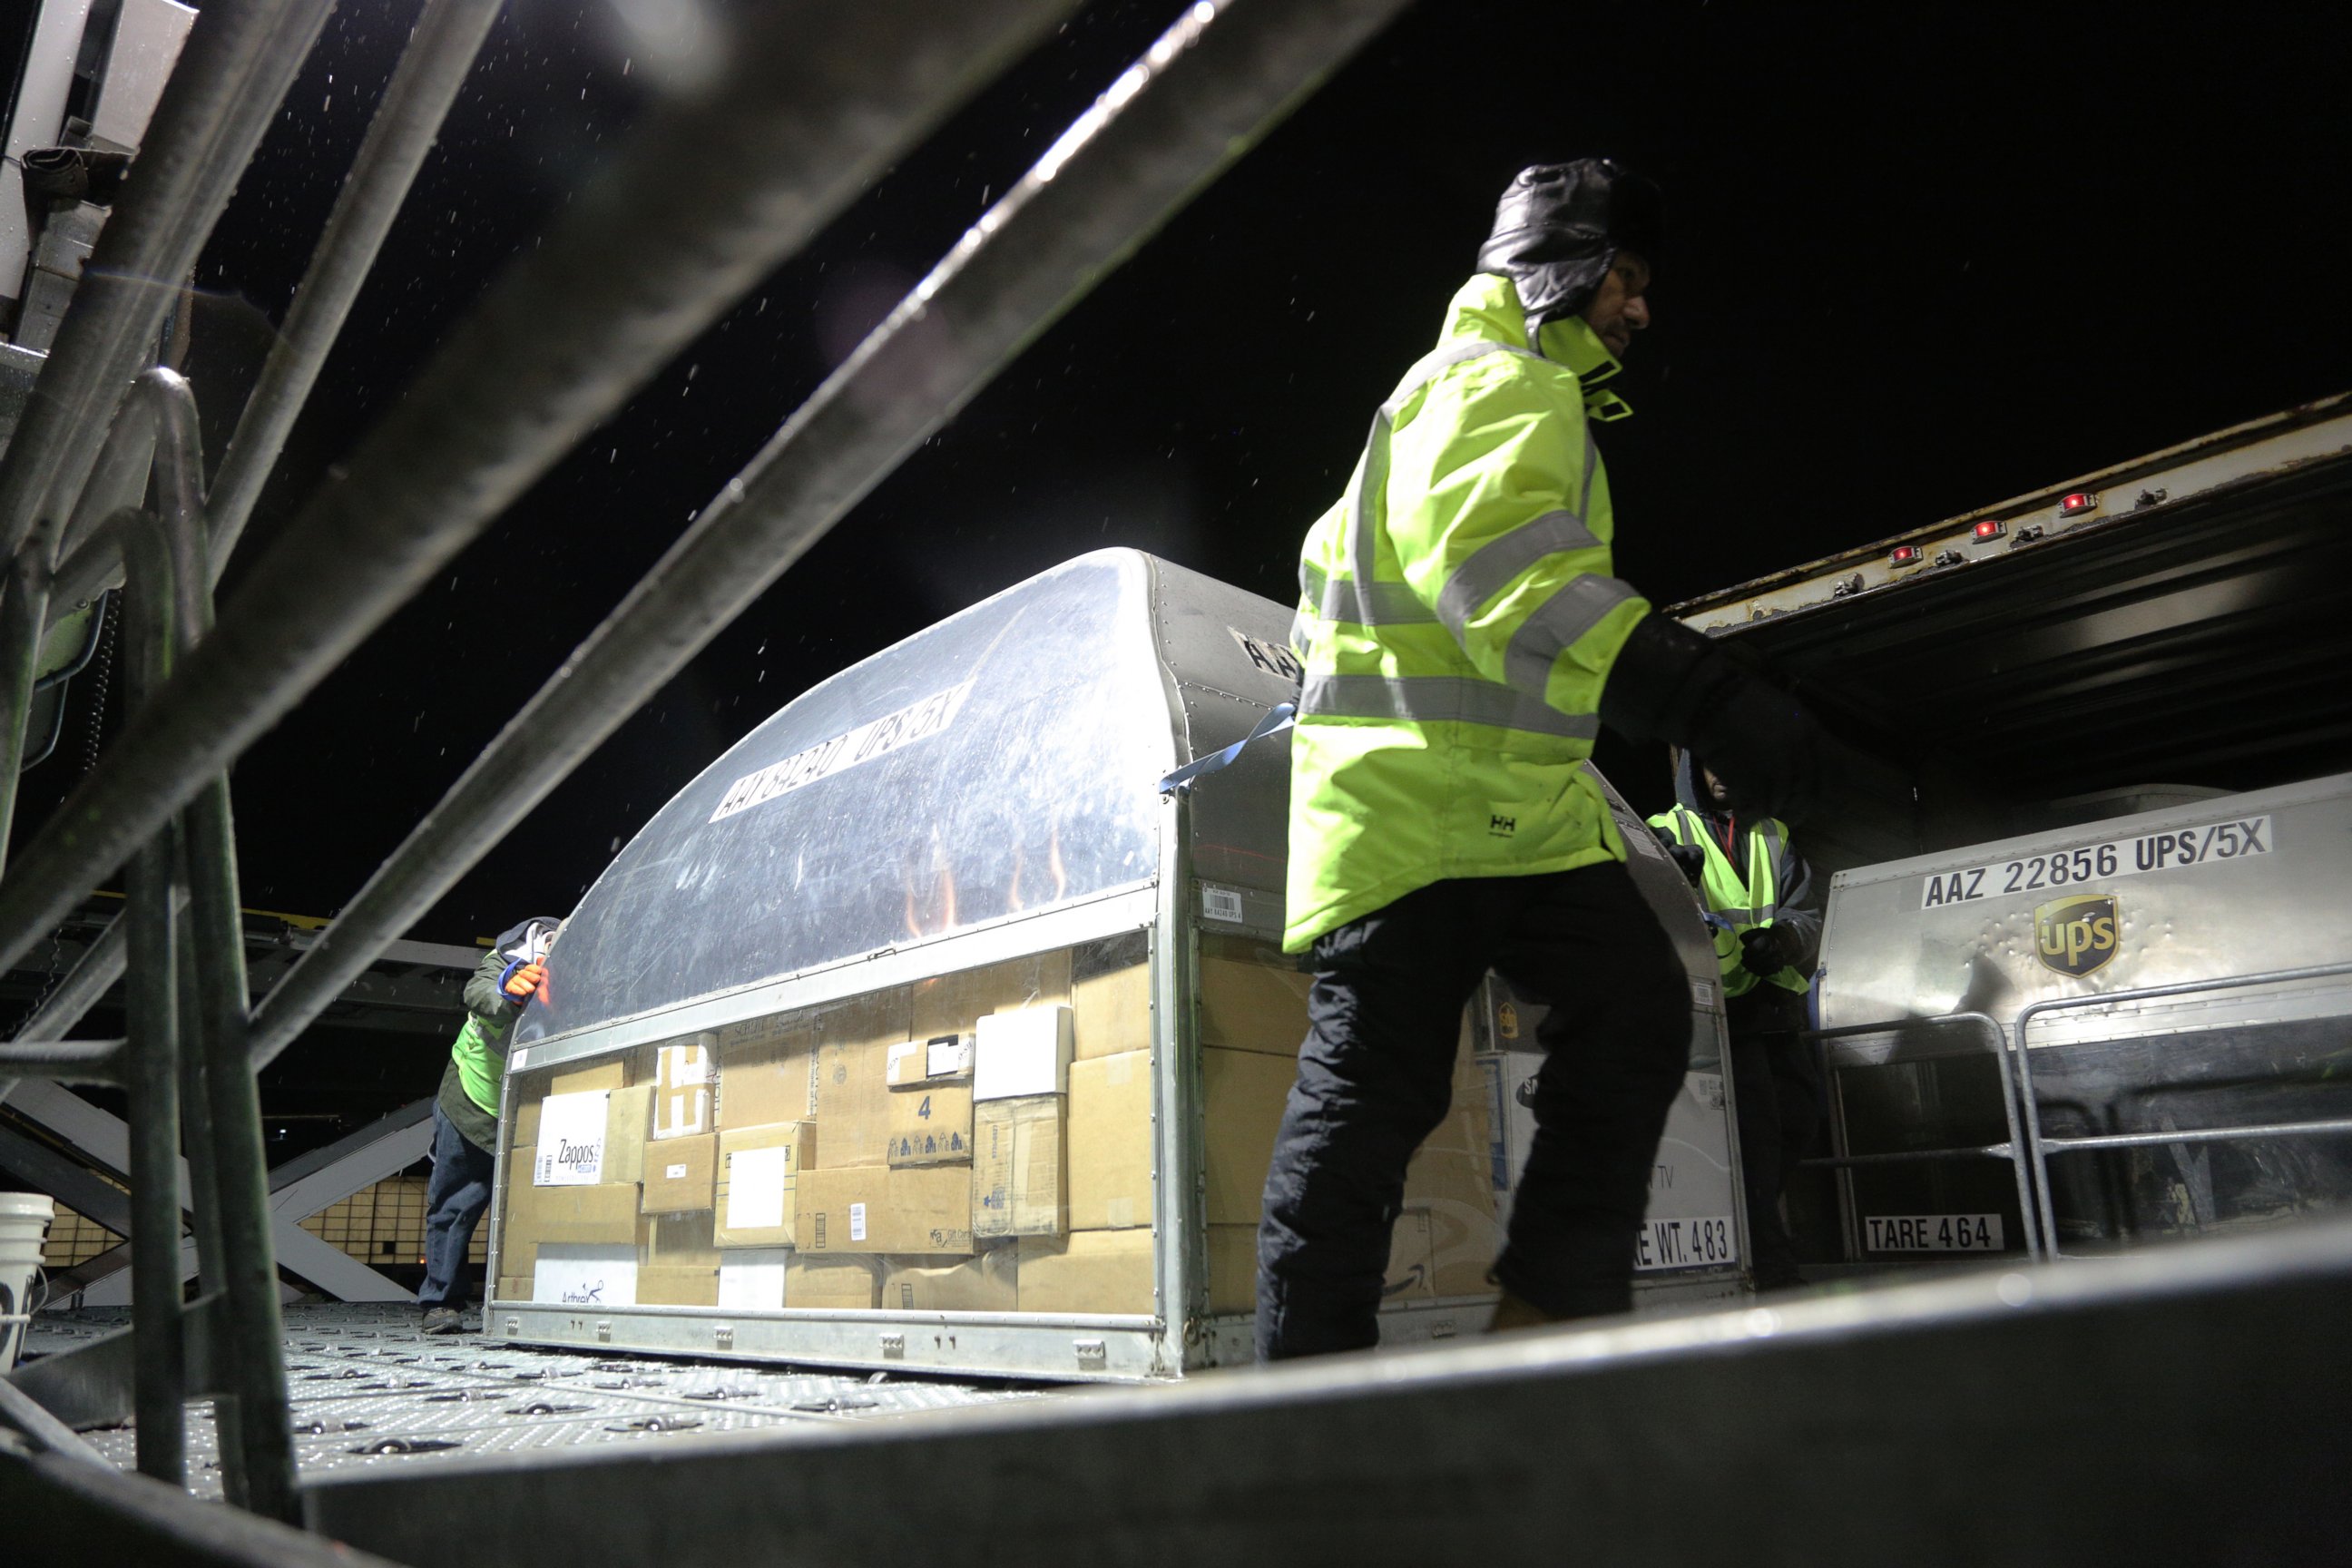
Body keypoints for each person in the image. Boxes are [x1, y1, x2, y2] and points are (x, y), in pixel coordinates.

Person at [1258, 159, 1823, 1360]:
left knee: (1630, 1010)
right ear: (1561, 270)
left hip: (1504, 813)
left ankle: (1547, 1324)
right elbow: (1506, 581)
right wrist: (1703, 696)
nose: (1641, 308)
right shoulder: (1490, 383)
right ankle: (1303, 1399)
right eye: (1628, 277)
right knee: (1369, 1109)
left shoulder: (1489, 396)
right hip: (1420, 815)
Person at [1650, 750, 1822, 1290]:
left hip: (1777, 1007)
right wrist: (1671, 877)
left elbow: (1806, 915)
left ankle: (1755, 1237)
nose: (1722, 772)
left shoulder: (1773, 834)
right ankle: (1769, 1265)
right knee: (1756, 1139)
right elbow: (1643, 912)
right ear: (1693, 770)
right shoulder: (1660, 829)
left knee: (1799, 1124)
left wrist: (1785, 940)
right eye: (1710, 763)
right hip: (1720, 1012)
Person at [419, 916, 558, 1333]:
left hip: (533, 1105)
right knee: (456, 1203)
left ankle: (540, 1297)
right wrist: (507, 988)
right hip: (472, 1097)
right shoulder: (508, 959)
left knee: (537, 1207)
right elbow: (479, 991)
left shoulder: (591, 968)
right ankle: (441, 1302)